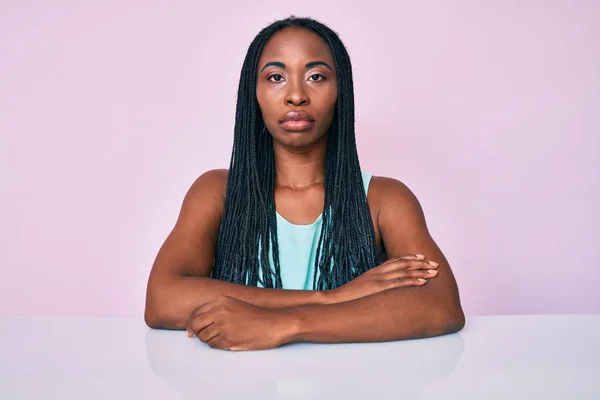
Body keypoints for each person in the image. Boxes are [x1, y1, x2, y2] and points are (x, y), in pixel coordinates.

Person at [144, 16, 465, 351]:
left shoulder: (385, 199)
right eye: (276, 77)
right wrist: (329, 298)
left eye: (316, 77)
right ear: (253, 93)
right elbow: (162, 300)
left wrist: (286, 325)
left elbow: (441, 306)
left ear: (340, 92)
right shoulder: (217, 193)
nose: (296, 95)